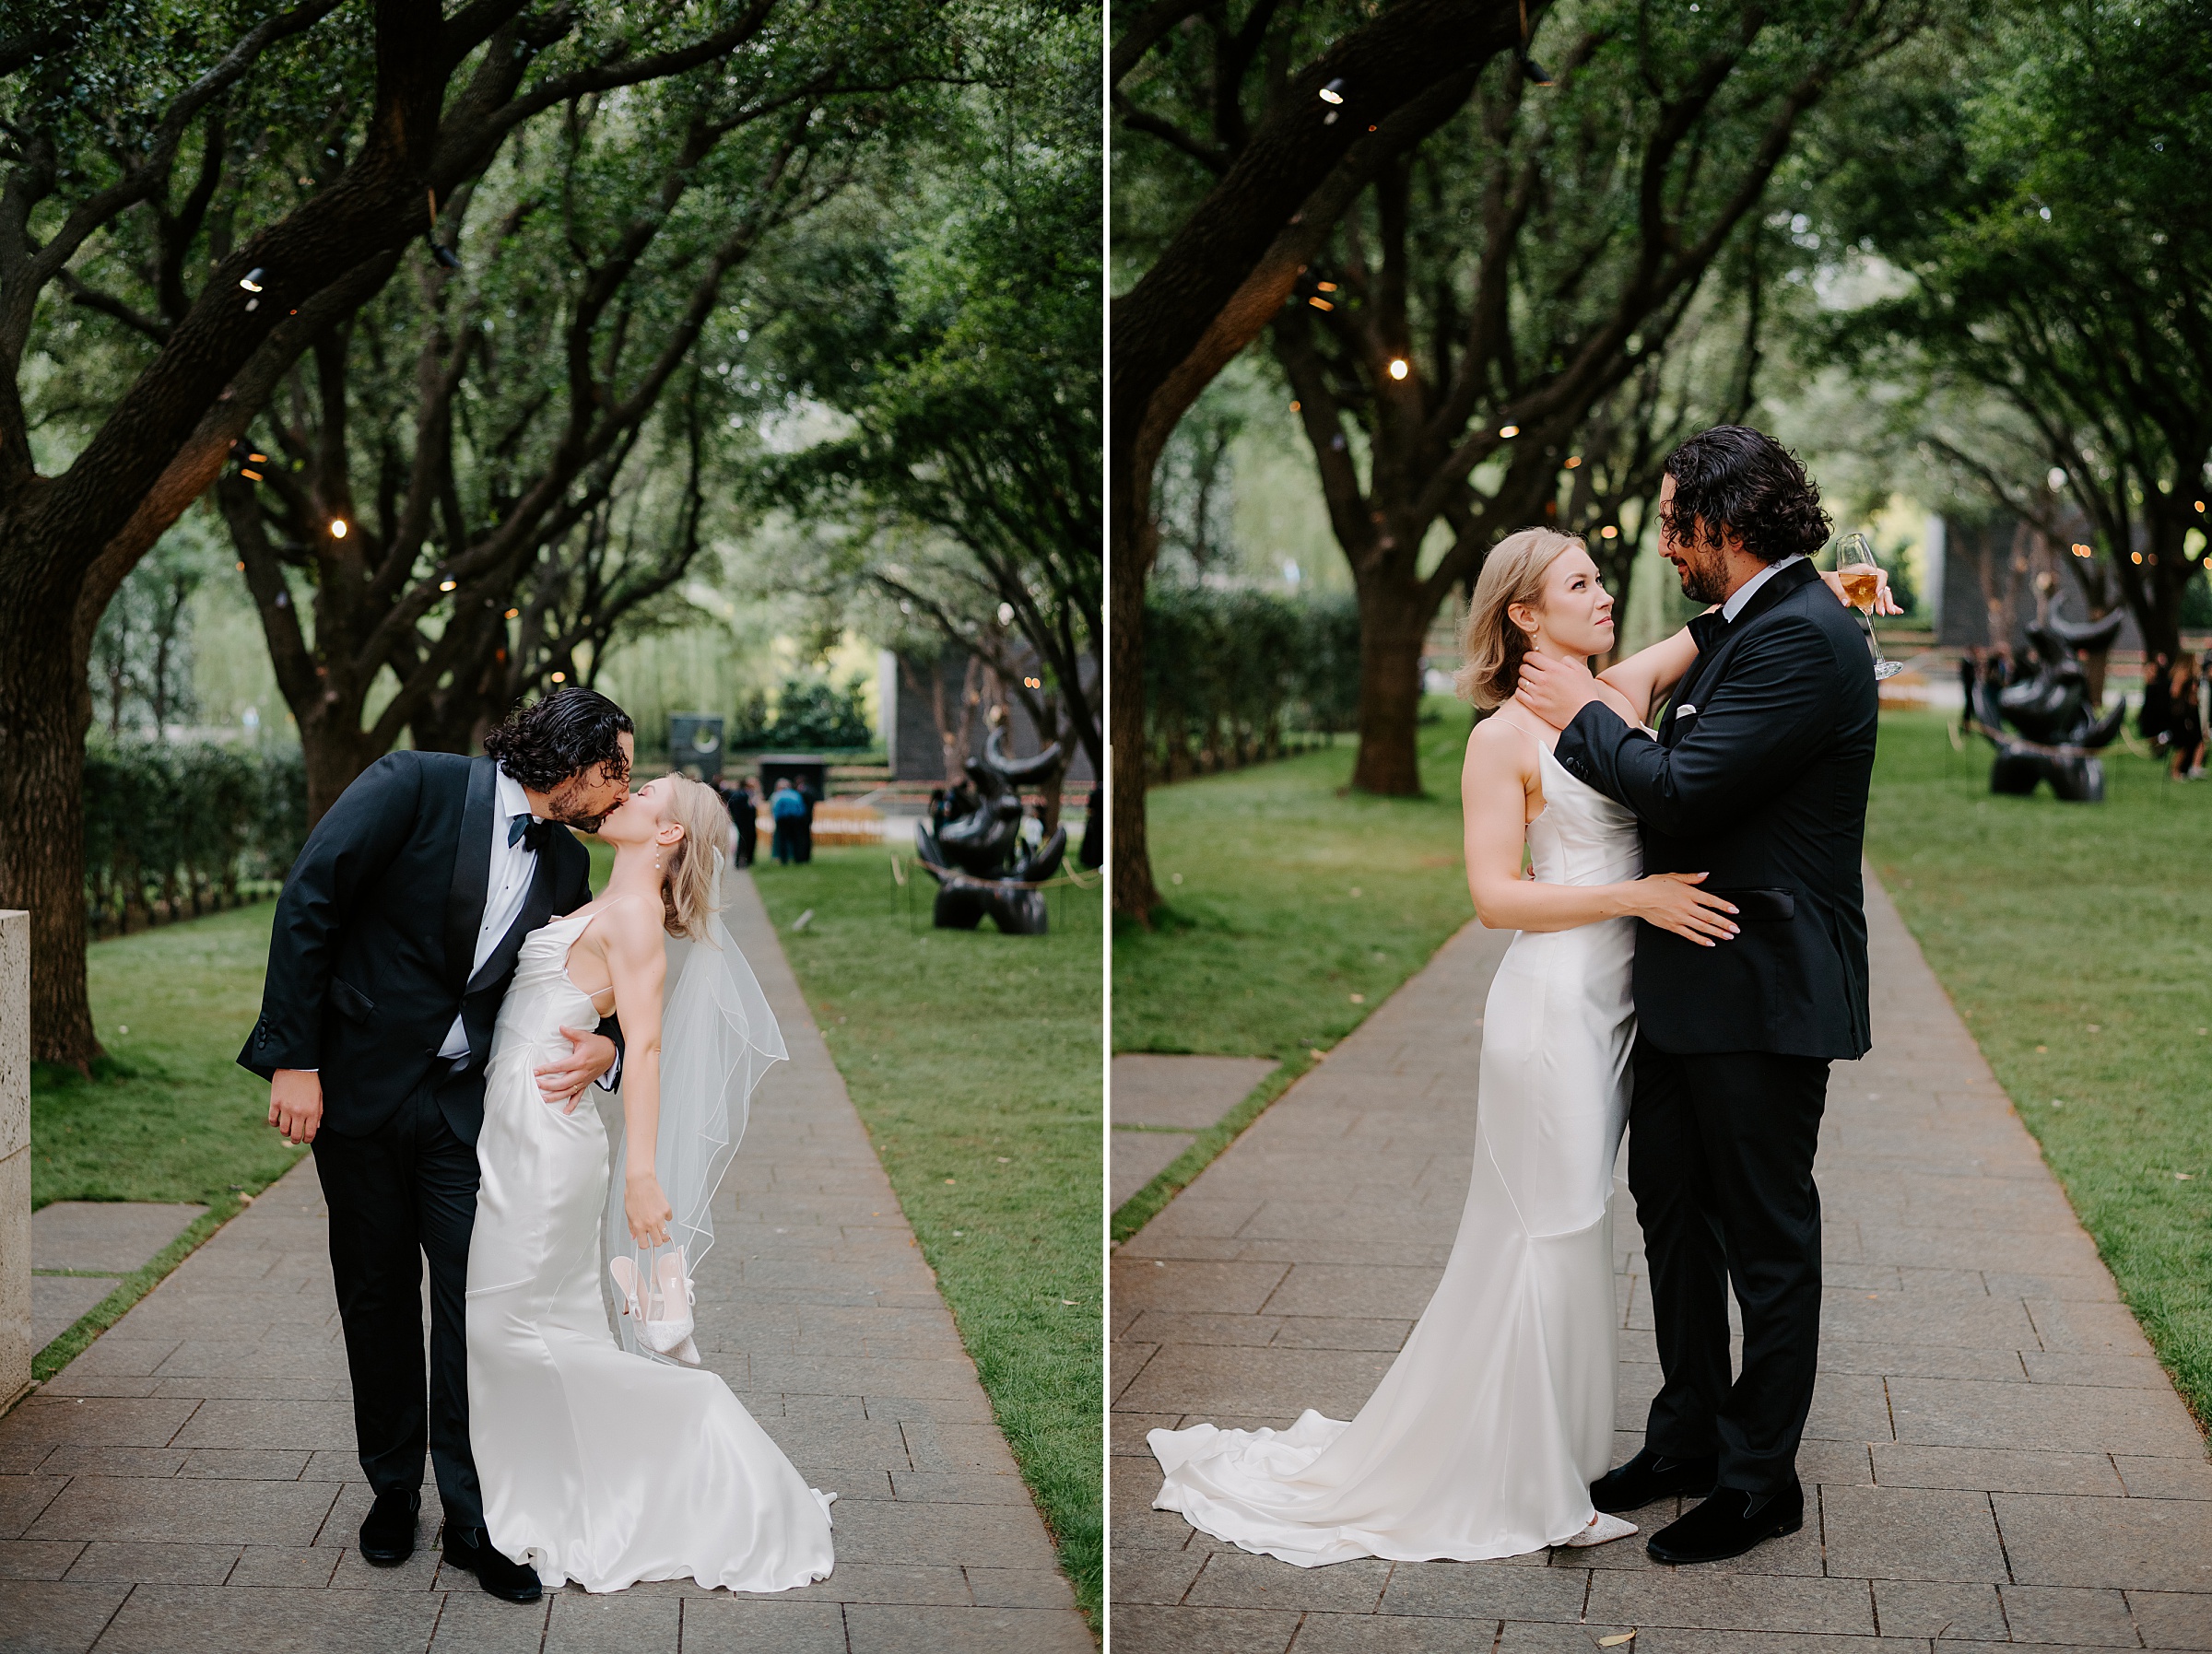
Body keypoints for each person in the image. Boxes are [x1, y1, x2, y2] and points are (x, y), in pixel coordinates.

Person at [1148, 509, 1888, 1568]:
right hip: (1550, 1010)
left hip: (1632, 1008)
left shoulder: (1614, 693)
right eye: (1580, 584)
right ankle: (1532, 1479)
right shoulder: (1500, 737)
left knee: (1588, 1224)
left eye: (1601, 579)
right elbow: (1496, 898)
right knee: (1554, 1224)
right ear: (1525, 614)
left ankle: (1620, 1446)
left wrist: (1842, 590)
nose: (1605, 593)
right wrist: (1638, 892)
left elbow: (1733, 622)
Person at [1519, 425, 1880, 1566]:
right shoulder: (1757, 618)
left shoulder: (1808, 642)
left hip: (1763, 984)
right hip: (1685, 982)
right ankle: (1685, 1434)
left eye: (1676, 522)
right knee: (1672, 1216)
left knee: (1766, 1237)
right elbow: (1680, 675)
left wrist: (1580, 706)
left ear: (1725, 524)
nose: (1665, 545)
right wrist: (1615, 683)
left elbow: (1676, 791)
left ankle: (1759, 1477)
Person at [239, 687, 636, 1601]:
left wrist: (607, 1050)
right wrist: (292, 1059)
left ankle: (473, 1518)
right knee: (375, 1293)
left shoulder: (568, 871)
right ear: (570, 761)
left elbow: (582, 990)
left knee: (475, 1311)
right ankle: (391, 1492)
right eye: (616, 765)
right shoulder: (413, 784)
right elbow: (311, 899)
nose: (625, 784)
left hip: (469, 1114)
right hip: (360, 1098)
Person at [465, 771, 835, 1592]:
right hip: (514, 1122)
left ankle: (699, 1431)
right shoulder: (600, 897)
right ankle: (569, 1490)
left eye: (642, 794)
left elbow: (650, 1044)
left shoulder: (633, 917)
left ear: (666, 836)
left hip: (545, 1136)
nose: (620, 794)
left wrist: (641, 1171)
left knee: (500, 1328)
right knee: (540, 1323)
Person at [2164, 655, 2204, 780]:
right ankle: (2175, 771)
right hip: (2181, 714)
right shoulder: (2182, 674)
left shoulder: (2185, 674)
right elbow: (2175, 692)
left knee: (2188, 742)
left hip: (2184, 712)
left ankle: (2182, 769)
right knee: (2183, 744)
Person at [721, 774, 759, 867]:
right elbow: (748, 809)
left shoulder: (736, 794)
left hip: (740, 821)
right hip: (745, 822)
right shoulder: (744, 795)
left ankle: (740, 861)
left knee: (742, 841)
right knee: (744, 841)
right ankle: (742, 861)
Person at [768, 777, 805, 863]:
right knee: (795, 839)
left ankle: (784, 859)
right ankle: (796, 857)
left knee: (782, 839)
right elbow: (801, 808)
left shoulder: (779, 795)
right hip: (795, 819)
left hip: (783, 820)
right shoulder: (795, 794)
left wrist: (776, 818)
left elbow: (776, 809)